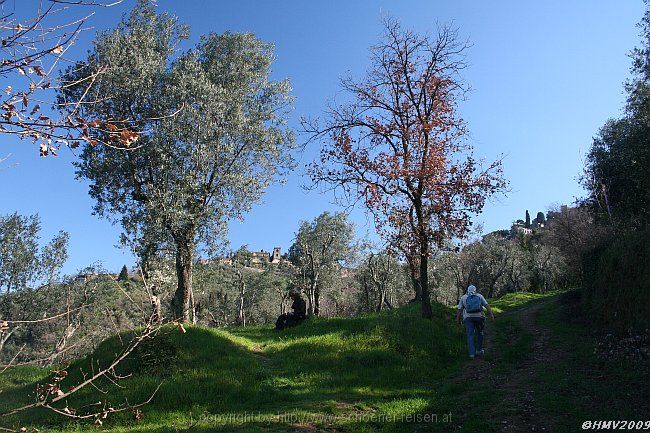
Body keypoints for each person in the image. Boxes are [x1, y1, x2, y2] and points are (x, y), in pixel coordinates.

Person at [456, 284, 495, 359]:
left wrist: (458, 319)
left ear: (467, 290)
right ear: (475, 290)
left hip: (468, 318)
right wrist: (491, 315)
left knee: (470, 335)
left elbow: (459, 309)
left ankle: (471, 354)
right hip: (479, 317)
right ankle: (479, 350)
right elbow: (487, 305)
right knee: (480, 332)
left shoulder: (463, 297)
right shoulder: (479, 296)